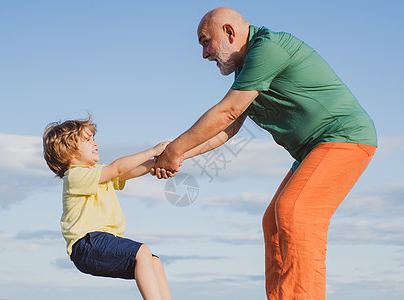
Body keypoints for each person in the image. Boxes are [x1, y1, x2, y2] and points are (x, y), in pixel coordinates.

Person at [152, 7, 378, 300]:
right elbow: (227, 130)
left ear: (230, 33)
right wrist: (176, 155)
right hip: (313, 149)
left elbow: (228, 112)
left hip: (344, 137)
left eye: (205, 41)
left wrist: (176, 149)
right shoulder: (247, 69)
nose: (204, 54)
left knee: (295, 211)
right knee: (272, 220)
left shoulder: (268, 48)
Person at [43, 115, 172, 300]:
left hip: (101, 243)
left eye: (93, 139)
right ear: (69, 153)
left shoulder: (98, 174)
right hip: (86, 244)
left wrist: (160, 162)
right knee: (142, 251)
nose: (95, 143)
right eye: (88, 140)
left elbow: (130, 171)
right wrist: (152, 150)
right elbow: (118, 168)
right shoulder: (74, 176)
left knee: (153, 261)